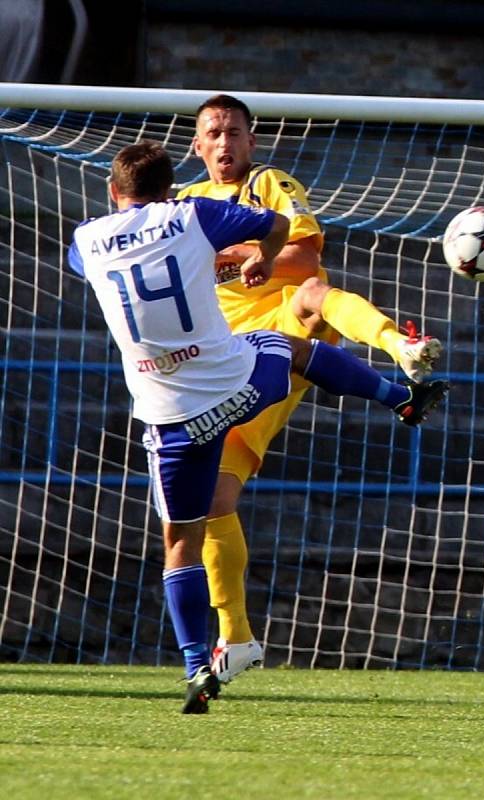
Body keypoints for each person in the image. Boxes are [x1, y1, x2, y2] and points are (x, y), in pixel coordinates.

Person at [67, 140, 448, 713]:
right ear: (172, 185)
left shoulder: (86, 241)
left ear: (113, 193)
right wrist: (259, 257)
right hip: (233, 380)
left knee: (179, 545)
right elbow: (274, 226)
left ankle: (196, 666)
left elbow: (98, 260)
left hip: (166, 414)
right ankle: (400, 399)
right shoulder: (192, 212)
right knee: (292, 351)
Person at [177, 94, 445, 683]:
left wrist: (236, 255)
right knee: (213, 500)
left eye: (234, 133)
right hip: (222, 361)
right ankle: (237, 639)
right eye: (213, 133)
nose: (224, 143)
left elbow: (299, 261)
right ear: (197, 146)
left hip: (280, 327)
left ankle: (401, 347)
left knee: (312, 296)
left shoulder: (268, 185)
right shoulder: (182, 204)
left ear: (252, 141)